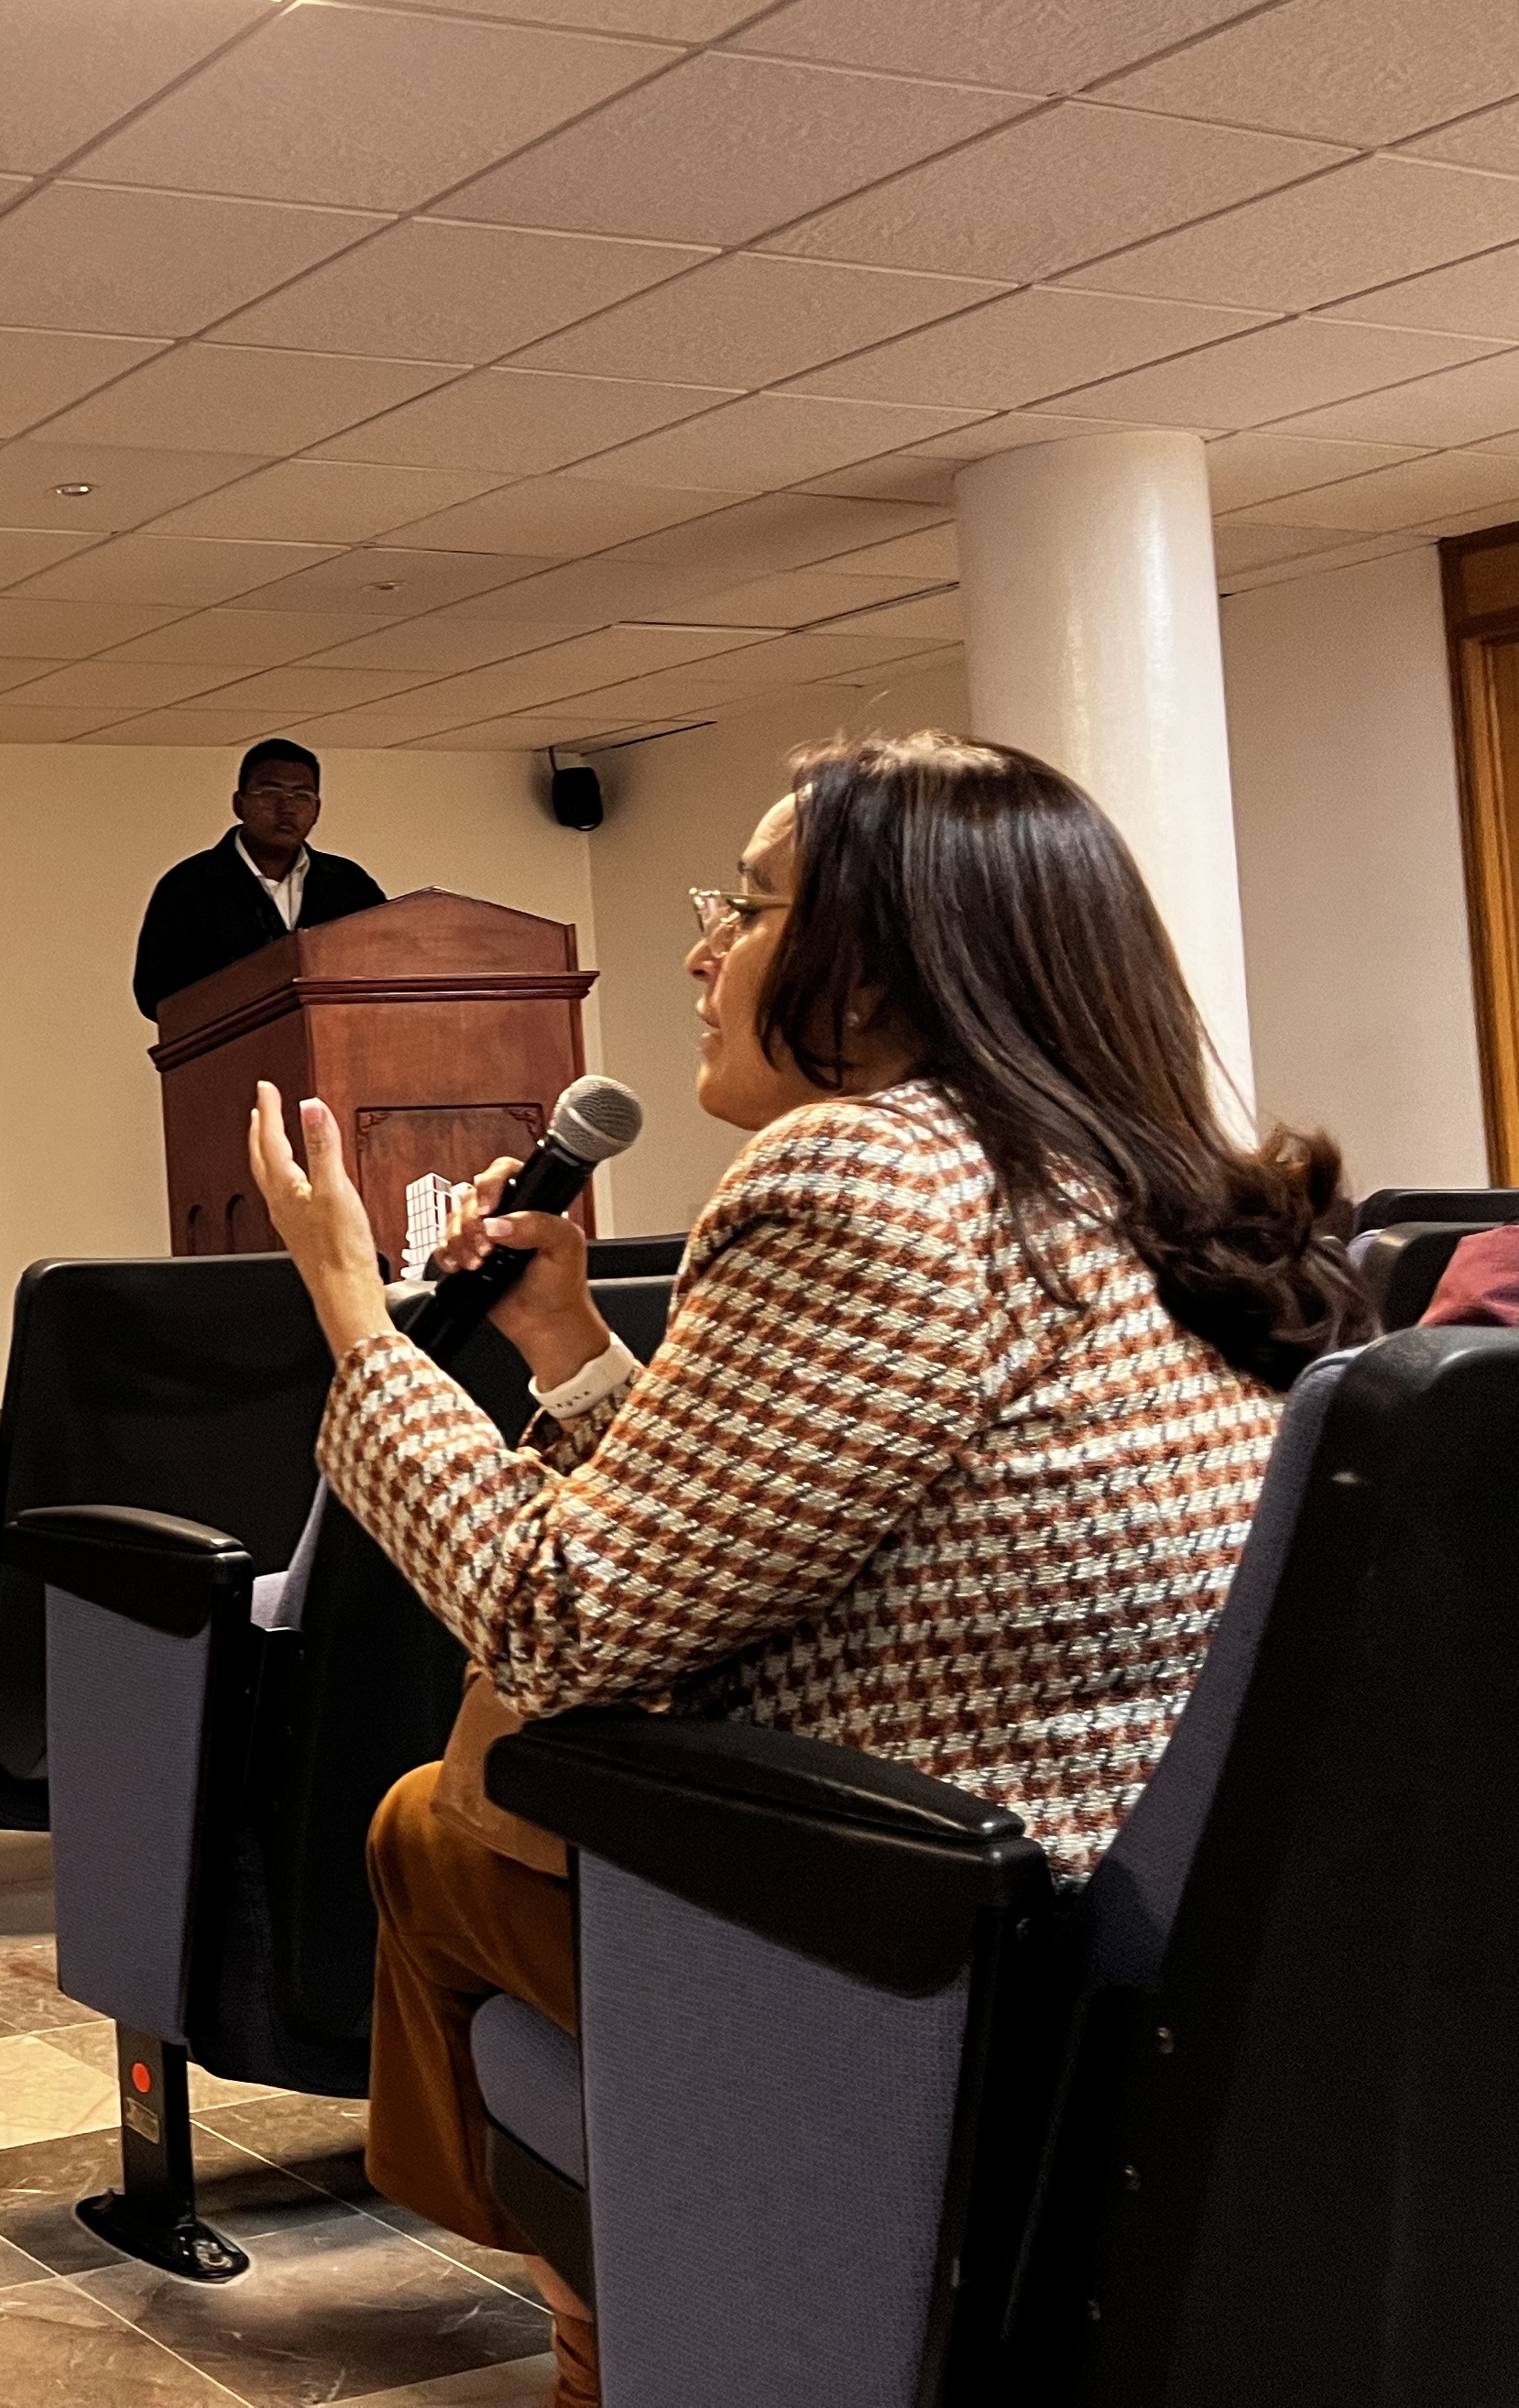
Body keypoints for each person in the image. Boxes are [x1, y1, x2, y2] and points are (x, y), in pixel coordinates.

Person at [240, 730, 1365, 2407]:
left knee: (430, 1824)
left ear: (885, 967)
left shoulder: (856, 1171)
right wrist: (565, 1348)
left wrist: (352, 1310)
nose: (699, 952)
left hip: (913, 1939)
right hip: (1158, 1931)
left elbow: (562, 1618)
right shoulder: (1129, 1173)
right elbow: (795, 1513)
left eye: (745, 905)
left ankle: (615, 2322)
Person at [131, 736, 390, 1020]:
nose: (287, 808)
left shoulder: (349, 883)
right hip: (231, 1042)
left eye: (302, 796)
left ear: (317, 810)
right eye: (270, 792)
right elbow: (155, 994)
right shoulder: (189, 885)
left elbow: (385, 964)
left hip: (337, 1037)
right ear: (239, 804)